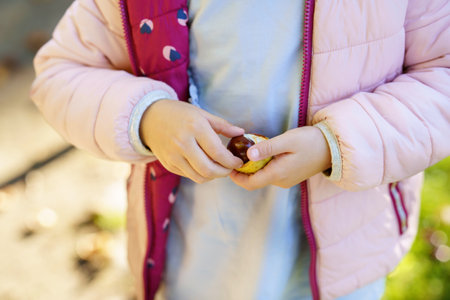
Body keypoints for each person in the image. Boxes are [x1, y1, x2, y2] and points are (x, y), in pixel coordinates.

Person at [31, 0, 450, 299]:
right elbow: (60, 74)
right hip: (196, 255)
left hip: (336, 263)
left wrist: (334, 145)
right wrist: (148, 117)